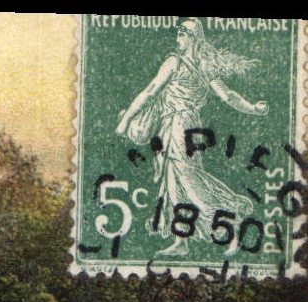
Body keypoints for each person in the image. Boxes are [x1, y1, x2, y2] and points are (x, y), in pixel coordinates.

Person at [115, 18, 268, 256]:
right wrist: (252, 108)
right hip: (187, 126)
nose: (180, 36)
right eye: (180, 31)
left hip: (178, 124)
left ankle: (233, 221)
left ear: (195, 37)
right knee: (175, 183)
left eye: (185, 32)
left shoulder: (174, 62)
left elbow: (150, 91)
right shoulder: (202, 65)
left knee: (188, 180)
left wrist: (126, 121)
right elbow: (227, 96)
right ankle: (181, 241)